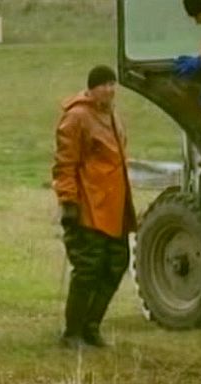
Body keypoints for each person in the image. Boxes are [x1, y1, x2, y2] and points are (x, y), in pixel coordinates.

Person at [52, 65, 137, 348]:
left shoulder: (111, 114)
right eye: (104, 85)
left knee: (115, 265)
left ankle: (91, 326)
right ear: (92, 88)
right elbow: (65, 164)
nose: (110, 90)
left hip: (115, 207)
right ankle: (72, 332)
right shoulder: (77, 117)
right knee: (88, 269)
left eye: (113, 84)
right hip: (89, 206)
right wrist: (68, 202)